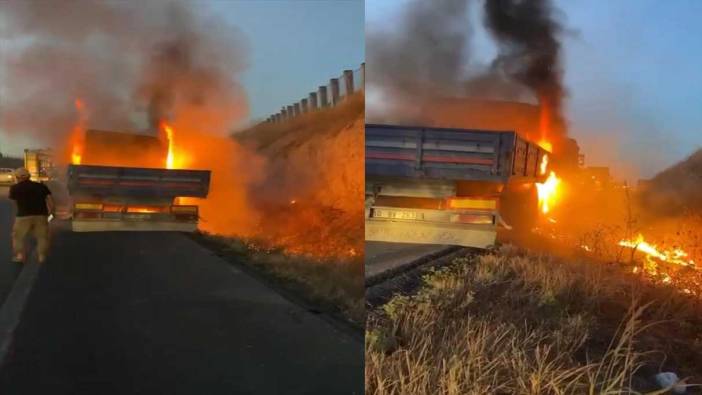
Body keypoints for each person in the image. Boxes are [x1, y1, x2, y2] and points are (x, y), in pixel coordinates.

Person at [8, 168, 54, 263]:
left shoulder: (15, 188)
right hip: (41, 215)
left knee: (18, 236)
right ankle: (41, 256)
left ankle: (20, 256)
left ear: (18, 177)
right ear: (28, 176)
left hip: (23, 216)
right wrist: (51, 211)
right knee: (42, 236)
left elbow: (14, 202)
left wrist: (18, 213)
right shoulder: (40, 186)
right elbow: (50, 199)